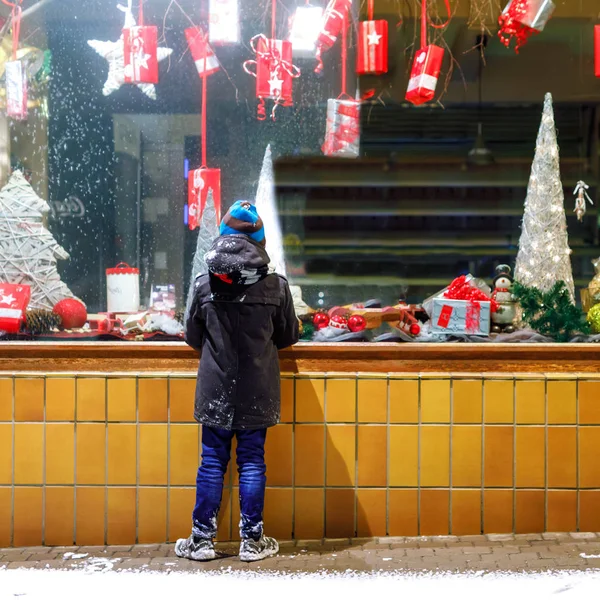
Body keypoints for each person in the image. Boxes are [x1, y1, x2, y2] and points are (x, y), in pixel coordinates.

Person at [176, 200, 299, 563]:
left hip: (215, 387)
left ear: (224, 238)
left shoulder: (204, 283)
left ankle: (201, 540)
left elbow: (192, 336)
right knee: (251, 460)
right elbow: (289, 335)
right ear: (260, 240)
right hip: (257, 388)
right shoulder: (275, 285)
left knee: (212, 460)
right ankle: (252, 540)